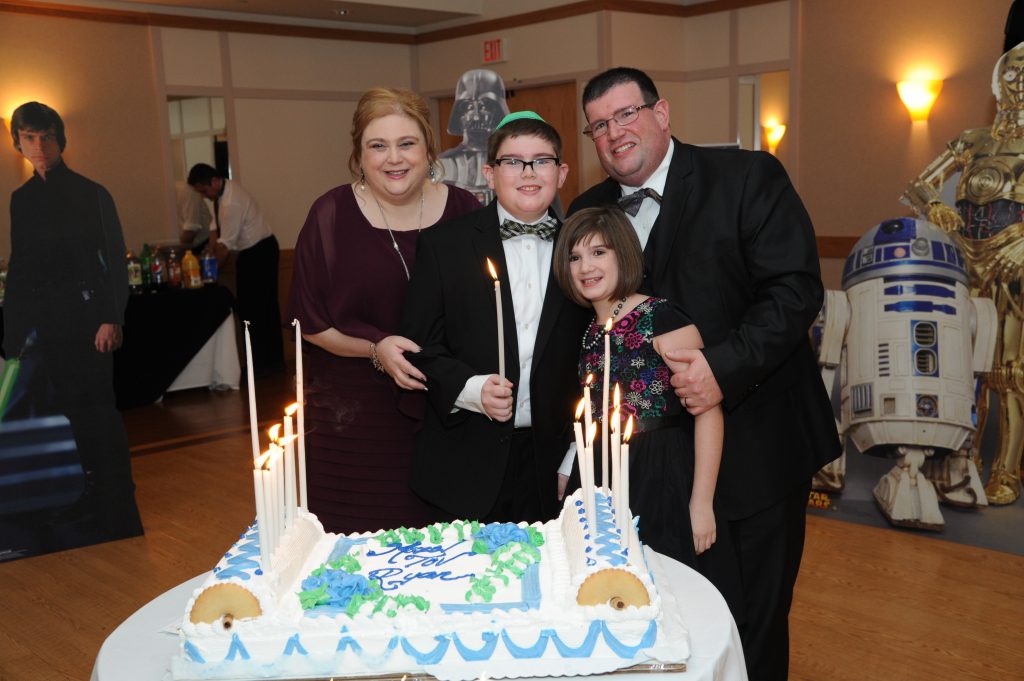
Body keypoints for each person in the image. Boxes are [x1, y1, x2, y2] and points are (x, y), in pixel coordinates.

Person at [569, 67, 839, 681]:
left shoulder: (746, 178)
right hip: (646, 470)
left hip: (757, 442)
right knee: (657, 617)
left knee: (751, 622)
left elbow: (794, 290)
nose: (615, 133)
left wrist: (721, 369)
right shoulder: (588, 214)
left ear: (661, 113)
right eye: (599, 126)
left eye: (627, 114)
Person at [287, 88, 479, 534]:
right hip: (352, 420)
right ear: (359, 154)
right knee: (356, 560)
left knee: (444, 555)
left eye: (407, 144)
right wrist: (376, 347)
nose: (394, 158)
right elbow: (310, 321)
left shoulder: (463, 211)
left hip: (447, 415)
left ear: (429, 150)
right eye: (378, 145)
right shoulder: (330, 214)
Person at [401, 111, 591, 524]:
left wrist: (575, 457)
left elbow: (595, 365)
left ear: (561, 174)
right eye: (512, 162)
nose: (528, 172)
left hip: (552, 466)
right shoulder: (443, 246)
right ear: (489, 174)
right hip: (464, 462)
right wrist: (471, 389)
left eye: (541, 161)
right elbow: (419, 346)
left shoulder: (584, 252)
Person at [552, 206, 742, 611]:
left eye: (599, 252)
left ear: (623, 253)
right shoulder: (588, 330)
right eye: (575, 256)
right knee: (607, 594)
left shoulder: (661, 318)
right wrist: (572, 466)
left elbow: (709, 410)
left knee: (669, 597)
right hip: (602, 472)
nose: (586, 266)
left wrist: (701, 503)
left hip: (662, 471)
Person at [4, 101, 143, 539]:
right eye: (29, 138)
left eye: (46, 136)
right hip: (50, 326)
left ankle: (118, 499)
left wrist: (110, 318)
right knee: (73, 415)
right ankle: (92, 491)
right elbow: (22, 267)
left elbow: (113, 263)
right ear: (18, 143)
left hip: (91, 323)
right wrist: (14, 332)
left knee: (100, 412)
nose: (39, 146)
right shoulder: (21, 200)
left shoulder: (91, 192)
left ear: (60, 139)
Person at [187, 163, 283, 376]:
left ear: (213, 181)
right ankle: (260, 364)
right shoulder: (220, 194)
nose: (205, 196)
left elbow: (224, 248)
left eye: (204, 191)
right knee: (250, 309)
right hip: (249, 254)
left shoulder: (231, 202)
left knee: (260, 310)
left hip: (261, 253)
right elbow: (214, 229)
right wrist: (209, 251)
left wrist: (208, 275)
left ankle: (267, 366)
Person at [439, 69, 510, 205]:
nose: (476, 116)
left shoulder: (517, 162)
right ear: (459, 112)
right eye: (468, 106)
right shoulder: (440, 165)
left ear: (498, 110)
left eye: (485, 105)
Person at [176, 179, 212, 253]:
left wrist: (178, 252)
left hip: (202, 244)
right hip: (193, 244)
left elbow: (192, 229)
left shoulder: (188, 192)